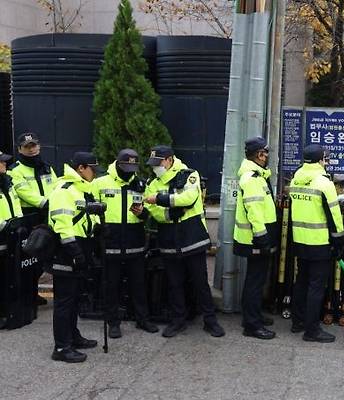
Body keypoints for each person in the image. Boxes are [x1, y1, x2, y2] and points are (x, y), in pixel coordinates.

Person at [143, 145, 224, 338]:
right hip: (169, 239)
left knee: (200, 282)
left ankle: (210, 320)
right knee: (174, 283)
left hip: (191, 237)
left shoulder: (189, 174)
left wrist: (161, 199)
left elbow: (189, 198)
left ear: (169, 160)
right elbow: (153, 211)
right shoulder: (152, 182)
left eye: (158, 163)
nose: (155, 167)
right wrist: (171, 209)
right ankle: (178, 320)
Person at [93, 149, 159, 339]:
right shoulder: (100, 183)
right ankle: (113, 322)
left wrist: (143, 214)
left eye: (133, 167)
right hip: (110, 241)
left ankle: (142, 319)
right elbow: (91, 209)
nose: (129, 171)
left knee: (138, 284)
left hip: (134, 242)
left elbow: (150, 213)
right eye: (126, 167)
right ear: (118, 164)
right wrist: (99, 229)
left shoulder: (140, 183)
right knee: (110, 285)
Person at [289, 144, 344, 343]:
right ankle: (312, 330)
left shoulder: (296, 177)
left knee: (301, 281)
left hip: (299, 239)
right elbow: (334, 215)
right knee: (316, 286)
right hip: (319, 242)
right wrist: (339, 241)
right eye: (325, 158)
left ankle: (298, 321)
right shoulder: (324, 183)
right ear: (320, 160)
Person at [48, 152, 101, 363]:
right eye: (93, 169)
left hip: (80, 249)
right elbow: (62, 225)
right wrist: (75, 252)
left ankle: (72, 336)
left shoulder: (81, 190)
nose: (95, 173)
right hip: (66, 251)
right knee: (64, 301)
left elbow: (84, 220)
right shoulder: (64, 190)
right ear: (81, 168)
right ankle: (61, 347)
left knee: (75, 299)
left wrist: (98, 228)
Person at [233, 137, 277, 340]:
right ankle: (252, 325)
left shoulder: (257, 176)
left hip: (256, 237)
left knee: (256, 279)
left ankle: (254, 316)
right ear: (260, 154)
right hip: (255, 239)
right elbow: (254, 210)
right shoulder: (251, 178)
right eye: (266, 153)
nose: (268, 156)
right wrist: (262, 237)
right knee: (255, 280)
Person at [8, 132, 58, 306]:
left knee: (43, 257)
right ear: (20, 149)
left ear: (39, 146)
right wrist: (46, 202)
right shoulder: (15, 170)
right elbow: (24, 192)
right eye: (27, 147)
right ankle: (27, 294)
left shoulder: (46, 167)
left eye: (33, 146)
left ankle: (33, 292)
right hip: (29, 216)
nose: (31, 149)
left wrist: (55, 202)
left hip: (47, 214)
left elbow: (56, 186)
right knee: (27, 258)